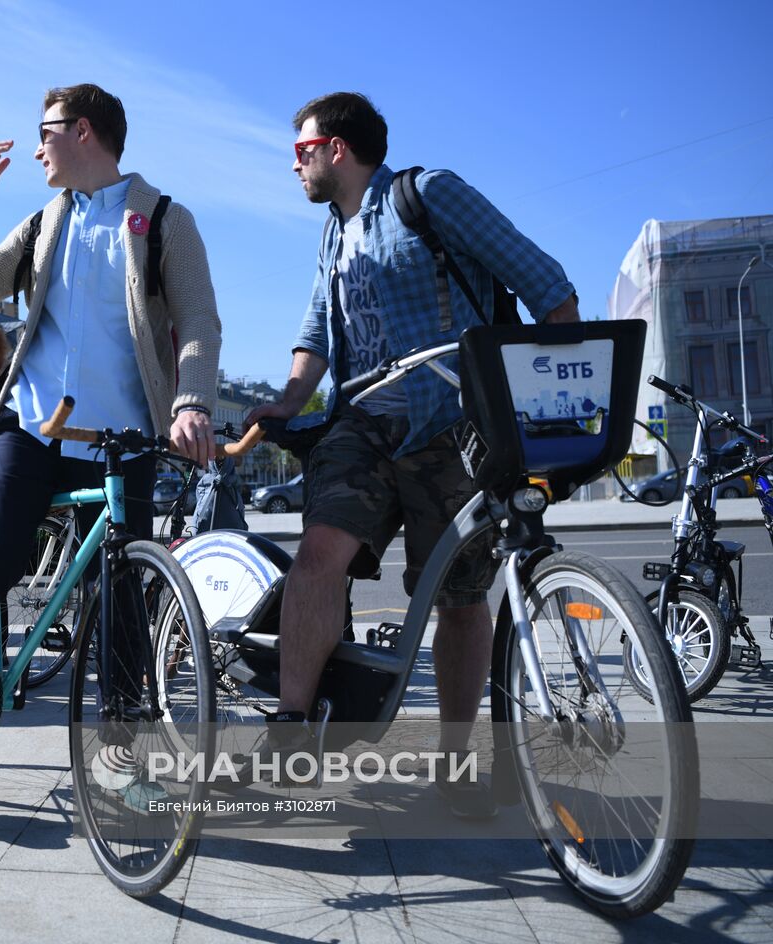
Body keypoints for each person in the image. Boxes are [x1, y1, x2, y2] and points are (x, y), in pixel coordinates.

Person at [245, 92, 580, 817]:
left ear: (337, 148)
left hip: (448, 427)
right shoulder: (333, 234)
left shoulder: (428, 196)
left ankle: (456, 766)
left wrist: (546, 396)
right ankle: (294, 730)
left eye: (301, 150)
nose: (293, 164)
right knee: (319, 555)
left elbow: (547, 282)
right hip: (360, 426)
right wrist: (287, 398)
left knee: (459, 601)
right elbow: (314, 338)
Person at [0, 83, 221, 776]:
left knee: (122, 593)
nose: (36, 145)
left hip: (122, 439)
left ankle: (125, 752)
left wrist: (190, 402)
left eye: (44, 131)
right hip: (35, 427)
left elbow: (197, 319)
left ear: (82, 131)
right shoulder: (49, 219)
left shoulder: (165, 219)